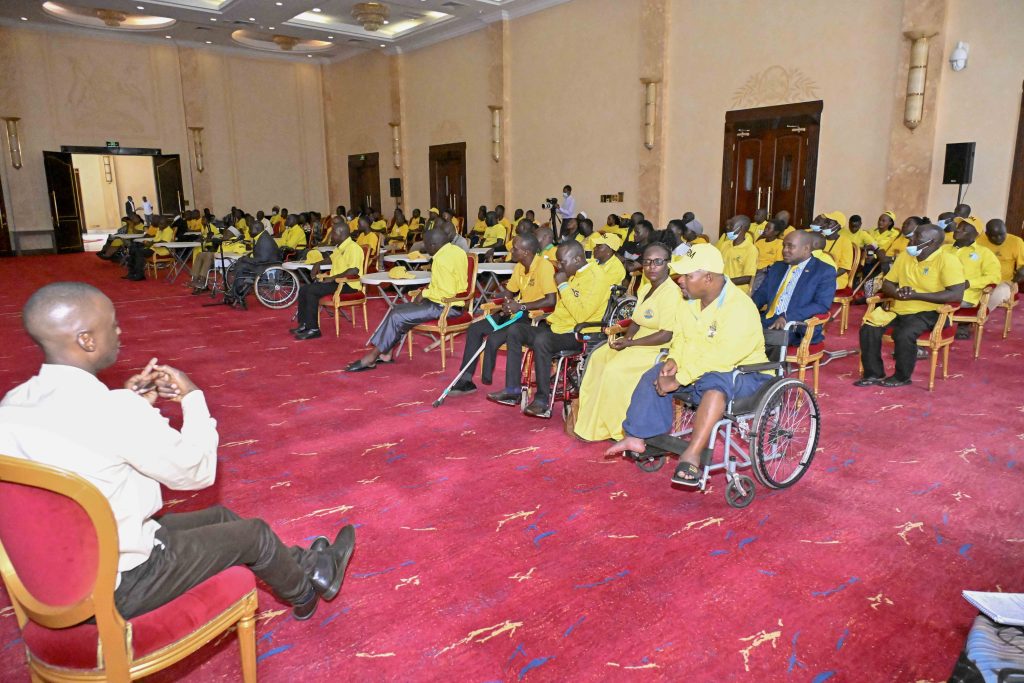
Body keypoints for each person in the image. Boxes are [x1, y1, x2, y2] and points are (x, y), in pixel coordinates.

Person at [0, 283, 356, 621]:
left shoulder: (13, 404)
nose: (120, 332)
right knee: (255, 534)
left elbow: (95, 448)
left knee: (219, 516)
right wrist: (192, 398)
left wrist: (135, 406)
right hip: (124, 580)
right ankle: (305, 593)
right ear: (86, 340)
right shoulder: (112, 410)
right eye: (113, 324)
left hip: (67, 564)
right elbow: (198, 473)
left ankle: (309, 566)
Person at [604, 244, 772, 486]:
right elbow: (681, 339)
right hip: (699, 369)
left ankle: (692, 453)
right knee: (654, 373)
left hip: (746, 374)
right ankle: (638, 436)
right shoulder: (689, 302)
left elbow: (722, 357)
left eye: (687, 275)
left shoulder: (740, 308)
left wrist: (680, 379)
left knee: (717, 382)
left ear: (709, 277)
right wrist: (673, 361)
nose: (679, 280)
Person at [488, 241, 608, 417]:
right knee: (515, 330)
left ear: (577, 258)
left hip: (579, 333)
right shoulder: (573, 273)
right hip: (558, 328)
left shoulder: (596, 278)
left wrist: (563, 285)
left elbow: (581, 315)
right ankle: (512, 390)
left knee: (542, 340)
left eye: (562, 262)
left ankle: (542, 400)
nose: (559, 266)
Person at [575, 243, 682, 441]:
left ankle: (616, 428)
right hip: (637, 342)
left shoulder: (671, 293)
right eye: (647, 262)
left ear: (668, 264)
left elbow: (666, 334)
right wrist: (627, 338)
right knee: (597, 358)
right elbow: (636, 320)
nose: (651, 267)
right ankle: (591, 422)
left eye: (658, 262)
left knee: (614, 369)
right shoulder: (646, 288)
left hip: (657, 348)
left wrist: (631, 344)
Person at [856, 224, 966, 388]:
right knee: (869, 327)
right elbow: (887, 284)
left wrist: (916, 295)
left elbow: (956, 294)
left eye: (917, 237)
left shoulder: (947, 260)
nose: (911, 239)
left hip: (930, 311)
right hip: (898, 308)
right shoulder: (905, 257)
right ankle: (874, 374)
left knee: (903, 333)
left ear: (931, 242)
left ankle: (902, 376)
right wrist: (897, 292)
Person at [447, 233, 557, 396]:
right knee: (475, 329)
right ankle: (466, 380)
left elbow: (551, 300)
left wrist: (521, 306)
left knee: (496, 336)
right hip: (517, 311)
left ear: (526, 252)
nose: (511, 250)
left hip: (533, 316)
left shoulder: (544, 267)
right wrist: (505, 302)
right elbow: (510, 291)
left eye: (515, 248)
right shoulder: (520, 266)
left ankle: (510, 388)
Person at [346, 228, 468, 372]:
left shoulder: (441, 260)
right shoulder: (457, 251)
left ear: (434, 245)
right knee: (397, 310)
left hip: (445, 307)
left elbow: (446, 292)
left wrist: (424, 293)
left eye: (426, 244)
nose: (424, 247)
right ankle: (386, 353)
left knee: (398, 315)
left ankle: (371, 358)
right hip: (453, 303)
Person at [751, 230, 836, 357]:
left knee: (767, 338)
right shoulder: (778, 267)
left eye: (790, 246)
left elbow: (821, 305)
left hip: (797, 325)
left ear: (806, 249)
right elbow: (761, 295)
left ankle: (768, 374)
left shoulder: (823, 271)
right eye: (784, 245)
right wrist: (745, 307)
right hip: (768, 320)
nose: (785, 250)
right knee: (734, 328)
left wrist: (787, 317)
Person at [293, 224, 364, 340]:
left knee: (311, 290)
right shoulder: (340, 247)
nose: (331, 237)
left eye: (333, 234)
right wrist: (318, 263)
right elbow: (331, 258)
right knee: (304, 289)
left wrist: (332, 278)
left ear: (341, 233)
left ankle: (314, 329)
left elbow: (354, 270)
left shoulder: (354, 248)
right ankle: (304, 324)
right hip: (337, 282)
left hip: (349, 285)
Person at [945, 216, 1003, 338]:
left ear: (975, 235)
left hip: (965, 295)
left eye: (964, 229)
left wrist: (969, 283)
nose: (958, 230)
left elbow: (994, 277)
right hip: (939, 290)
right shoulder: (944, 249)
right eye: (958, 227)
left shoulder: (984, 253)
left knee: (927, 301)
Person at [228, 220, 281, 308]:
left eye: (250, 229)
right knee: (241, 262)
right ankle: (236, 291)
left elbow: (263, 259)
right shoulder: (261, 237)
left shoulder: (264, 240)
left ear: (256, 229)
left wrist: (247, 259)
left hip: (267, 266)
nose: (248, 231)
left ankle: (237, 292)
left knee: (242, 265)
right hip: (264, 263)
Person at [976, 218, 1024, 303]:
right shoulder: (979, 240)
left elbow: (1022, 268)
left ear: (1006, 230)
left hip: (1004, 282)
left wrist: (1013, 282)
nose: (999, 238)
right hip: (980, 280)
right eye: (994, 236)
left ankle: (983, 313)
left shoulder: (1016, 242)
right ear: (987, 234)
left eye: (1002, 234)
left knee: (999, 293)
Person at [715, 215, 758, 293]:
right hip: (721, 287)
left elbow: (748, 277)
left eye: (731, 225)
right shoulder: (725, 244)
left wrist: (725, 282)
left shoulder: (750, 249)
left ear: (741, 228)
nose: (727, 227)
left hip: (737, 290)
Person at [752, 218, 784, 292]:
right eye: (765, 227)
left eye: (768, 228)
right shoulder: (759, 242)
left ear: (776, 232)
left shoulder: (779, 244)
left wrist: (762, 269)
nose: (765, 230)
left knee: (758, 280)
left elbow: (778, 264)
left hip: (766, 272)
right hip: (753, 270)